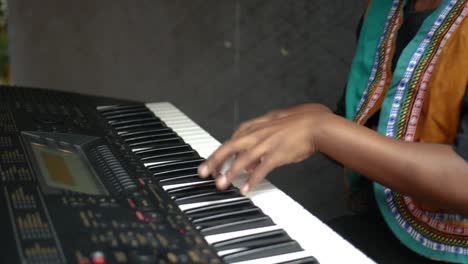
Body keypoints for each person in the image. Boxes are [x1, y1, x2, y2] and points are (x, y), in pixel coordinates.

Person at [198, 0, 468, 263]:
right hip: (381, 229)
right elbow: (364, 133)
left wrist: (323, 131)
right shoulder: (385, 10)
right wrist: (310, 125)